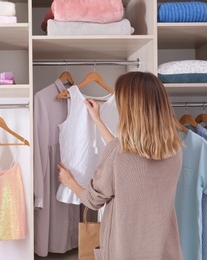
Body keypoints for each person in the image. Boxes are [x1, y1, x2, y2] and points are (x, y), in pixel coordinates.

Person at [57, 71, 184, 260]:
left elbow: (93, 200)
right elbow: (126, 157)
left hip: (125, 251)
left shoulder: (118, 153)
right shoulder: (174, 150)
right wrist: (97, 121)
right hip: (163, 250)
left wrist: (70, 182)